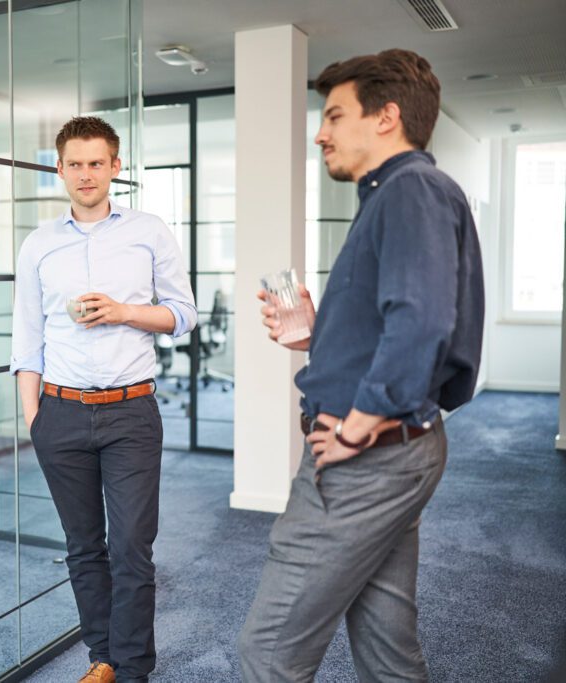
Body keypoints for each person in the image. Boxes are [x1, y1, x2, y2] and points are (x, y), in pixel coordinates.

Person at [237, 49, 484, 681]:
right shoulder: (393, 196)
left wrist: (354, 427)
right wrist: (322, 335)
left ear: (386, 117)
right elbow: (400, 321)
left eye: (335, 114)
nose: (321, 132)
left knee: (267, 654)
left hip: (364, 457)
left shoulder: (411, 190)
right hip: (392, 451)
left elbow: (424, 323)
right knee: (386, 648)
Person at [11, 116, 197, 683]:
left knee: (132, 548)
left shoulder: (148, 230)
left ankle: (134, 668)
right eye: (75, 163)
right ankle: (103, 659)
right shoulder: (39, 244)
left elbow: (184, 315)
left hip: (130, 412)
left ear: (116, 167)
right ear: (60, 168)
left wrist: (123, 311)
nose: (86, 173)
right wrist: (34, 417)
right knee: (83, 546)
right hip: (59, 414)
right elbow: (26, 336)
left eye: (97, 162)